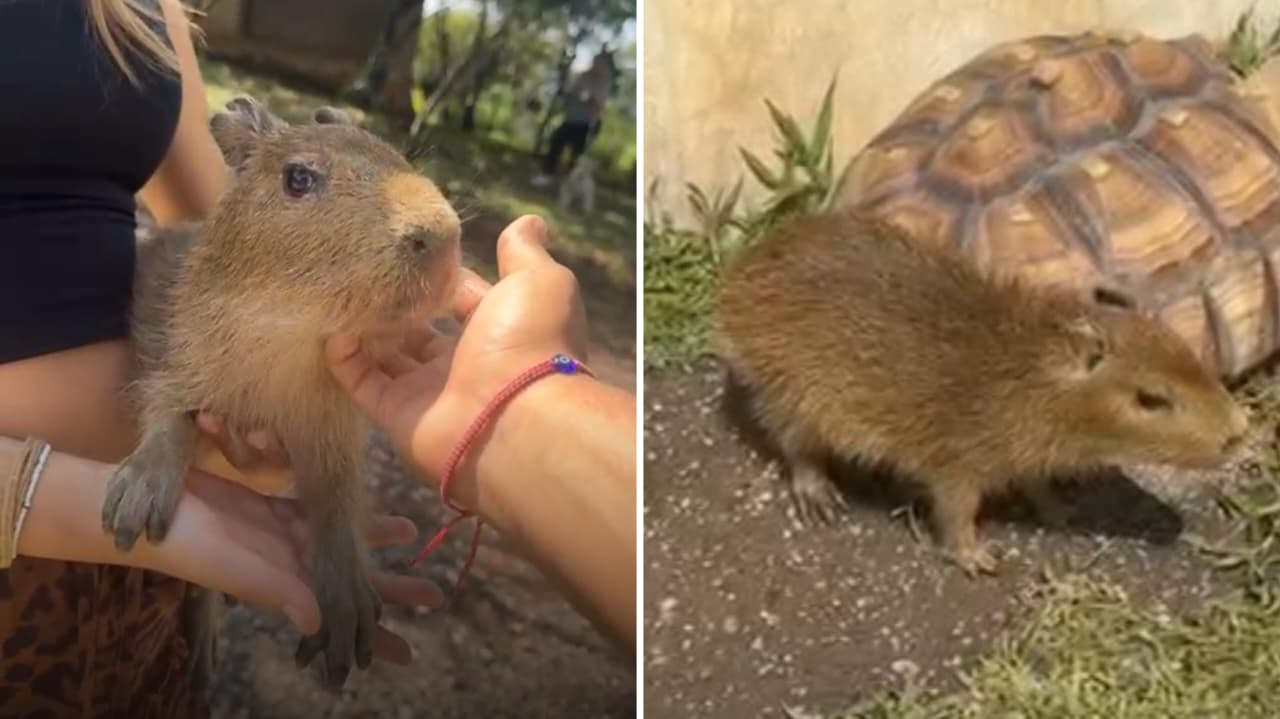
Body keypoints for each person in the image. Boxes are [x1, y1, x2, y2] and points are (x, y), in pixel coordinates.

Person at [0, 0, 633, 715]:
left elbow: (215, 217)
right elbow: (193, 317)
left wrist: (522, 412)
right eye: (303, 180)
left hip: (167, 536)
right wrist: (44, 489)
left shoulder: (140, 10)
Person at [530, 48, 616, 188]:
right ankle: (547, 175)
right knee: (556, 143)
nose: (595, 64)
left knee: (577, 156)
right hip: (571, 119)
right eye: (594, 60)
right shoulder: (582, 76)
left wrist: (590, 102)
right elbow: (569, 92)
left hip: (586, 124)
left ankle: (571, 184)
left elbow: (598, 104)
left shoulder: (602, 82)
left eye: (598, 62)